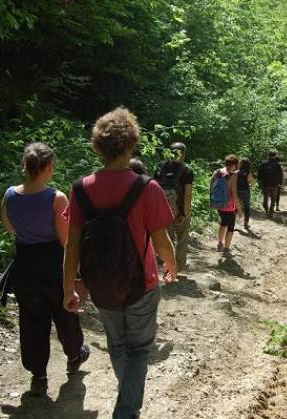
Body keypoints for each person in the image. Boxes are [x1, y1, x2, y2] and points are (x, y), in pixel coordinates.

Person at [63, 107, 177, 419]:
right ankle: (126, 410)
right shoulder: (147, 187)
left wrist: (69, 288)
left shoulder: (80, 189)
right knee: (139, 349)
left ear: (98, 146)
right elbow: (161, 241)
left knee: (117, 343)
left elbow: (72, 246)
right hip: (143, 284)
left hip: (100, 284)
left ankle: (126, 394)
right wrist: (172, 264)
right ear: (132, 145)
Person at [0, 142, 89, 396]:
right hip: (53, 264)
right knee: (65, 312)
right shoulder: (56, 198)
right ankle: (75, 356)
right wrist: (78, 273)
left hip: (25, 264)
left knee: (31, 319)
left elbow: (10, 228)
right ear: (49, 167)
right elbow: (66, 241)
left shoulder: (9, 195)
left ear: (25, 166)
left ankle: (38, 374)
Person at [156, 142, 194, 272]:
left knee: (167, 238)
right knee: (182, 239)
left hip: (162, 210)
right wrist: (185, 213)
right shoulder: (186, 169)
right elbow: (188, 194)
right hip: (180, 209)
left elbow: (154, 190)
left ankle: (168, 267)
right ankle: (180, 267)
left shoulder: (160, 167)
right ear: (183, 154)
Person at [212, 154, 242, 256]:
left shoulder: (218, 172)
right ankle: (226, 249)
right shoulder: (232, 175)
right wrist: (239, 209)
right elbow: (233, 193)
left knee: (223, 222)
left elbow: (212, 186)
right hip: (229, 206)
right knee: (230, 226)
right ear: (234, 165)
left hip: (218, 203)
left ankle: (219, 244)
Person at [257, 151, 283, 217]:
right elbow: (280, 175)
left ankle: (266, 210)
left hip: (266, 184)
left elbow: (259, 174)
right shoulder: (278, 165)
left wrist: (260, 181)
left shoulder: (263, 164)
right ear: (275, 156)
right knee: (273, 198)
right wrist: (280, 183)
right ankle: (271, 211)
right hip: (275, 184)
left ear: (268, 155)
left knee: (265, 198)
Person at [237, 157, 254, 229]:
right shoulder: (248, 172)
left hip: (237, 191)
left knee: (235, 207)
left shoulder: (236, 172)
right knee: (247, 207)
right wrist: (250, 185)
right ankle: (246, 224)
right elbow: (251, 182)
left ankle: (232, 224)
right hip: (245, 191)